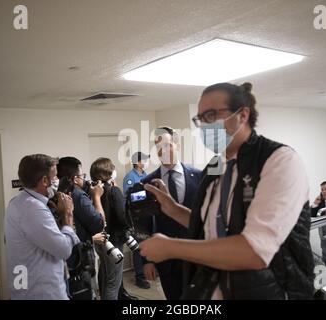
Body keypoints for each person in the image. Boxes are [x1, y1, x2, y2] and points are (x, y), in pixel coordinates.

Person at [139, 82, 315, 299]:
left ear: (242, 115)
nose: (205, 125)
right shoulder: (215, 167)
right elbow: (208, 226)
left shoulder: (278, 160)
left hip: (268, 291)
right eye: (200, 119)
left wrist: (172, 247)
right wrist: (173, 208)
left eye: (211, 115)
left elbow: (254, 250)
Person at [5, 154, 80, 299]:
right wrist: (68, 215)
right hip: (43, 292)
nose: (58, 181)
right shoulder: (33, 209)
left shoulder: (18, 202)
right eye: (56, 176)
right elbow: (64, 250)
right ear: (45, 180)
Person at [140, 126, 201, 300]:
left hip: (198, 256)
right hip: (168, 262)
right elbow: (143, 223)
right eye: (159, 147)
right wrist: (147, 260)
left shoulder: (199, 176)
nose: (163, 151)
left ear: (177, 145)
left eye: (167, 145)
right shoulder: (147, 183)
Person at [56, 157, 106, 298]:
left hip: (64, 259)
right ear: (75, 178)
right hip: (80, 260)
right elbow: (99, 224)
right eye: (83, 176)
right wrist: (96, 196)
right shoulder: (78, 196)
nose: (85, 179)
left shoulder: (58, 194)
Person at [90, 157, 133, 300]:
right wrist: (130, 230)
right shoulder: (114, 191)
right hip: (114, 242)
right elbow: (122, 217)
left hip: (99, 241)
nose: (115, 170)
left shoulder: (93, 191)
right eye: (113, 167)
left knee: (105, 274)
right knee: (113, 282)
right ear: (108, 171)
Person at [122, 151, 151, 290]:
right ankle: (139, 277)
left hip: (147, 215)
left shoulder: (146, 175)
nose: (145, 162)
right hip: (136, 217)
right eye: (143, 160)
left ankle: (148, 270)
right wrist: (146, 194)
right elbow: (128, 197)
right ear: (137, 162)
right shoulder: (129, 177)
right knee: (138, 247)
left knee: (148, 243)